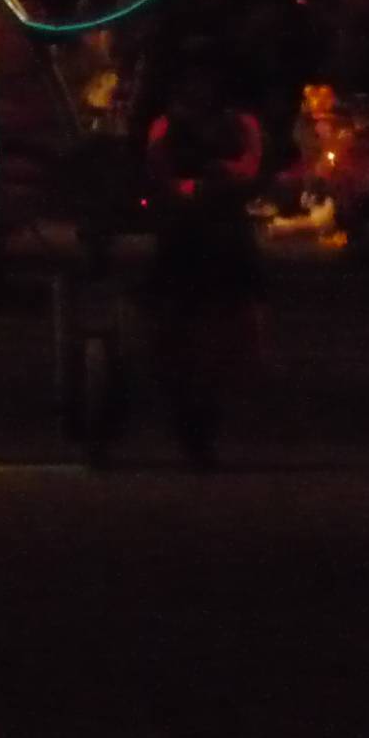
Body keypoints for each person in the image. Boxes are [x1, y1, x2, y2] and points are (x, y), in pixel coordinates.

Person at [143, 67, 264, 468]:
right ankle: (193, 413)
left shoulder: (238, 126)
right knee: (188, 328)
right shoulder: (167, 129)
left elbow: (246, 170)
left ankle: (204, 411)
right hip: (189, 239)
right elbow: (161, 172)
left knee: (217, 329)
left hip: (217, 239)